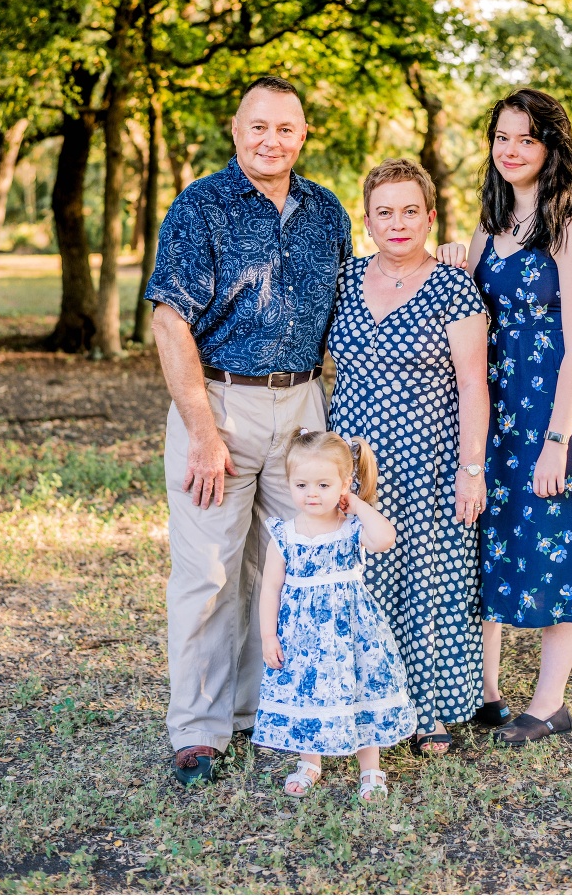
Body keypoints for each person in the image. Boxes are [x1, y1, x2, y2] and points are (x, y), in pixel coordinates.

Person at [145, 75, 352, 784]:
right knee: (209, 573)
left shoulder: (327, 212)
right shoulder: (200, 205)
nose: (271, 140)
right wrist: (203, 430)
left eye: (286, 128)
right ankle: (200, 728)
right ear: (236, 131)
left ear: (303, 135)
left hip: (302, 409)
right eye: (258, 126)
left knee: (290, 566)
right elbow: (169, 320)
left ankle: (270, 709)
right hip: (222, 406)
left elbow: (359, 299)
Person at [438, 87, 572, 746]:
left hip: (556, 405)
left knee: (554, 537)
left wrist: (556, 441)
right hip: (497, 402)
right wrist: (455, 261)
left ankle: (549, 704)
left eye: (526, 139)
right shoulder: (489, 224)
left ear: (551, 148)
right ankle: (485, 693)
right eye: (501, 138)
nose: (511, 151)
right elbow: (473, 309)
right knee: (488, 534)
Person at [327, 158, 492, 754]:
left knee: (432, 578)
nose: (397, 223)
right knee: (360, 577)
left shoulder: (453, 285)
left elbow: (475, 383)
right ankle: (361, 701)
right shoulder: (343, 278)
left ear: (430, 216)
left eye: (409, 211)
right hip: (353, 458)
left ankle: (431, 709)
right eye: (384, 212)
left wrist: (470, 470)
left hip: (430, 455)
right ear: (367, 220)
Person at [253, 428, 416, 800]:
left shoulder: (352, 527)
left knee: (359, 690)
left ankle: (370, 767)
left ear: (345, 484)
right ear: (289, 484)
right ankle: (310, 761)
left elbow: (385, 539)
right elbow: (271, 588)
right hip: (302, 638)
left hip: (352, 635)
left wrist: (356, 504)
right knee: (307, 694)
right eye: (302, 484)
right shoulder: (285, 534)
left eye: (324, 485)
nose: (312, 494)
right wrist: (268, 636)